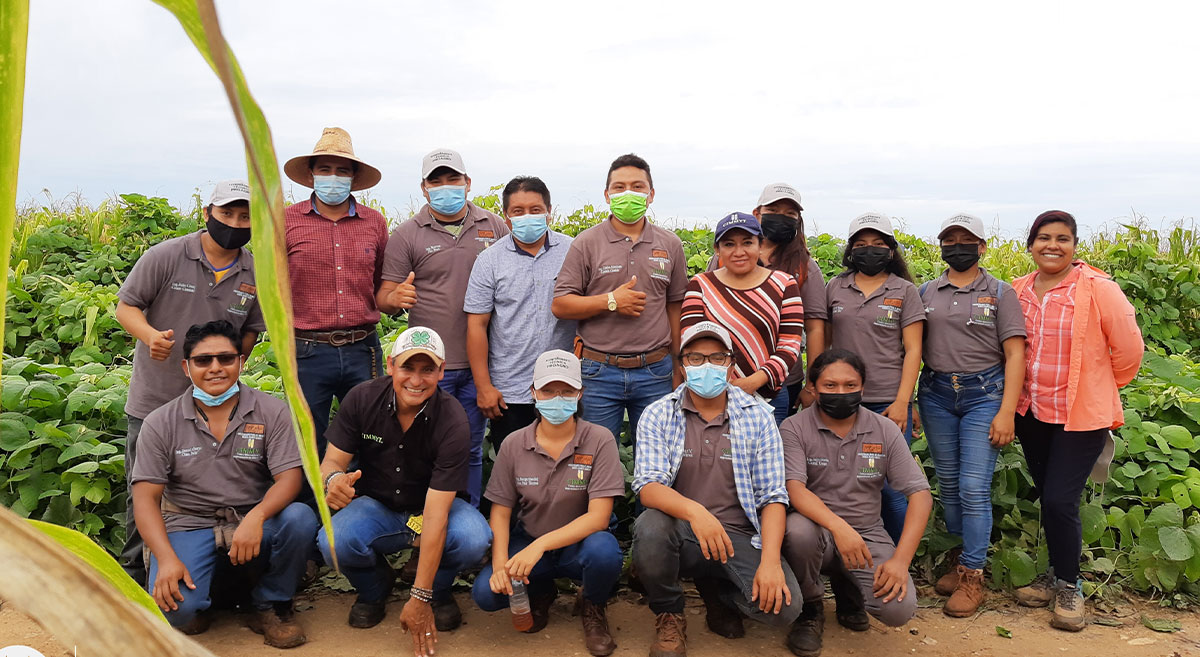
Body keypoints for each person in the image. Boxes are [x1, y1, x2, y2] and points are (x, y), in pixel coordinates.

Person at [131, 320, 317, 648]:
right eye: (204, 360)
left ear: (241, 362)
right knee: (178, 612)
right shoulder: (160, 422)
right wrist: (167, 558)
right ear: (186, 368)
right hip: (188, 523)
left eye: (226, 359)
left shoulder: (271, 411)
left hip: (251, 518)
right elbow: (145, 499)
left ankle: (269, 604)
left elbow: (289, 479)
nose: (215, 368)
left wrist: (257, 517)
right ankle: (208, 602)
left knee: (300, 519)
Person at [116, 179, 266, 586]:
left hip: (216, 406)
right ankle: (134, 576)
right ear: (207, 214)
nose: (235, 223)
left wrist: (233, 362)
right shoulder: (166, 256)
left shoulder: (255, 270)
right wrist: (150, 337)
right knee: (143, 492)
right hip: (155, 401)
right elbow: (126, 306)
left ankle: (206, 575)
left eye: (245, 216)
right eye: (226, 214)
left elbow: (252, 328)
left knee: (206, 490)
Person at [316, 326, 491, 656]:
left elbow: (437, 515)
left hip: (431, 509)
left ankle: (437, 590)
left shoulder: (453, 419)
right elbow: (331, 462)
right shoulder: (362, 398)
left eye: (427, 369)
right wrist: (332, 481)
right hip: (377, 506)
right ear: (390, 364)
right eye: (408, 367)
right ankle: (374, 588)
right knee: (332, 541)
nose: (416, 379)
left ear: (441, 372)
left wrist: (420, 597)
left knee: (473, 538)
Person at [632, 321, 802, 657]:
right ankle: (669, 613)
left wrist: (769, 561)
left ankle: (719, 593)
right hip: (684, 532)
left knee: (784, 609)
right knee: (650, 527)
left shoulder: (758, 415)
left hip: (739, 535)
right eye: (695, 358)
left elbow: (772, 496)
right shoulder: (659, 413)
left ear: (731, 364)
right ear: (682, 365)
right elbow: (648, 487)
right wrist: (696, 512)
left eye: (717, 358)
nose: (706, 366)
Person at [1010, 210, 1143, 632]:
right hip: (1032, 411)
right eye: (1044, 238)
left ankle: (1069, 585)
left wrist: (1101, 386)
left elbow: (1129, 349)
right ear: (1030, 245)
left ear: (1074, 245)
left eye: (1062, 238)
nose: (1053, 245)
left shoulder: (1099, 289)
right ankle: (1054, 575)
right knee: (1048, 493)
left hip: (1080, 415)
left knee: (1059, 500)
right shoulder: (1017, 291)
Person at [379, 148, 510, 506]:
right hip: (432, 366)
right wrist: (397, 297)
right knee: (423, 447)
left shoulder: (494, 226)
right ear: (424, 188)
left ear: (468, 183)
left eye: (453, 179)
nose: (445, 187)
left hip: (483, 364)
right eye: (436, 181)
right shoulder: (407, 235)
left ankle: (464, 518)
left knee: (469, 446)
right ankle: (419, 521)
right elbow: (384, 296)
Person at [780, 349, 932, 657]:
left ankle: (849, 591)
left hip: (867, 534)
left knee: (898, 610)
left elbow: (920, 494)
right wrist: (839, 527)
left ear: (863, 386)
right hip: (816, 531)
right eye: (830, 386)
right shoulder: (794, 428)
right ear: (812, 387)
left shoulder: (885, 429)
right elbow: (794, 488)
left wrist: (901, 562)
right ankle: (810, 609)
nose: (841, 392)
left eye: (851, 385)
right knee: (796, 531)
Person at [472, 350, 624, 656]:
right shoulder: (514, 443)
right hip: (527, 540)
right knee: (486, 595)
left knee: (605, 552)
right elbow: (500, 513)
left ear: (580, 393)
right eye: (548, 390)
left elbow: (599, 518)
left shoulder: (600, 439)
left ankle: (593, 606)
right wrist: (501, 563)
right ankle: (541, 591)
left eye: (567, 390)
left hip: (577, 545)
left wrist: (540, 546)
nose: (558, 398)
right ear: (533, 392)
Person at [916, 213, 1026, 617]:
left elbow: (1015, 353)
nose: (957, 246)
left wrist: (1007, 412)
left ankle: (973, 575)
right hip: (937, 394)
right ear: (942, 246)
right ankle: (960, 557)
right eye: (950, 240)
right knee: (947, 483)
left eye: (967, 240)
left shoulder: (1000, 292)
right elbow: (911, 348)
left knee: (973, 485)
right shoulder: (926, 291)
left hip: (985, 395)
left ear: (982, 247)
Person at [552, 153, 688, 446]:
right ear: (607, 194)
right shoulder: (586, 243)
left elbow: (675, 307)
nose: (629, 193)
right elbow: (561, 304)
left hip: (656, 371)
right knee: (593, 457)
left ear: (651, 195)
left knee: (659, 456)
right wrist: (611, 300)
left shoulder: (670, 244)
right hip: (598, 371)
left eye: (638, 187)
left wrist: (678, 366)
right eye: (619, 187)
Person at [283, 127, 388, 453]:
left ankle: (364, 499)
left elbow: (381, 282)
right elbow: (271, 284)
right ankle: (309, 502)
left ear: (354, 178)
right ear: (312, 174)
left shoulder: (375, 222)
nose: (333, 177)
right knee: (306, 434)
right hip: (306, 350)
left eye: (342, 171)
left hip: (363, 347)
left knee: (373, 430)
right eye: (325, 169)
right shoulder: (285, 221)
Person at [824, 213, 923, 545]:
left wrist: (903, 403)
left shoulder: (905, 291)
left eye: (879, 244)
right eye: (862, 244)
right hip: (841, 399)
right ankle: (851, 555)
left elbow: (913, 350)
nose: (870, 250)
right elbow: (823, 343)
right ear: (851, 250)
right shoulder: (835, 287)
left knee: (892, 487)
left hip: (886, 403)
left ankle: (897, 558)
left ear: (892, 251)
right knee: (844, 483)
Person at [464, 176, 577, 451]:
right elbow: (477, 326)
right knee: (514, 468)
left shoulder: (574, 250)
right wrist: (484, 387)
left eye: (535, 210)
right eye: (518, 211)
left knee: (565, 464)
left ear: (549, 212)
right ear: (506, 216)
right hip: (509, 389)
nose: (528, 217)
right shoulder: (489, 260)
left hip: (563, 385)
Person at [709, 184, 828, 417]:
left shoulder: (804, 266)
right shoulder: (726, 259)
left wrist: (813, 384)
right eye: (774, 210)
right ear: (757, 213)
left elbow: (814, 328)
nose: (781, 218)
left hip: (782, 380)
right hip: (722, 378)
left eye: (790, 214)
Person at [684, 211, 804, 424]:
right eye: (729, 244)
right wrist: (723, 385)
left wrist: (753, 382)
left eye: (747, 243)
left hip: (768, 395)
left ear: (760, 245)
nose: (738, 252)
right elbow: (690, 341)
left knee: (766, 456)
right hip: (710, 395)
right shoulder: (700, 285)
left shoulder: (784, 284)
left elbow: (790, 345)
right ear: (717, 250)